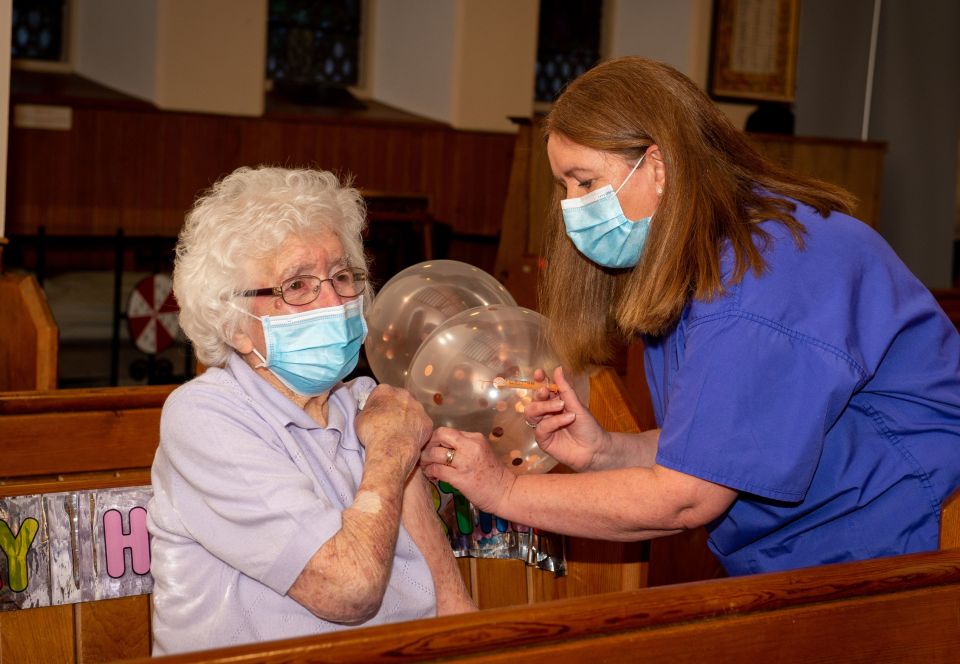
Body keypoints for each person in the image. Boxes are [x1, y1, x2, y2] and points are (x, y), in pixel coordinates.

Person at [421, 57, 960, 577]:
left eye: (584, 182)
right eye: (564, 186)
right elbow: (721, 443)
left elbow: (685, 497)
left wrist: (503, 491)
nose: (571, 207)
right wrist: (605, 450)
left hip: (912, 540)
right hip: (827, 550)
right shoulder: (701, 259)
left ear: (658, 164)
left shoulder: (760, 278)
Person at [147, 166, 474, 655]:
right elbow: (350, 590)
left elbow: (450, 602)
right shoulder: (204, 417)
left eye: (342, 277)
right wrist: (389, 450)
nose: (333, 301)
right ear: (234, 322)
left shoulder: (368, 402)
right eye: (297, 286)